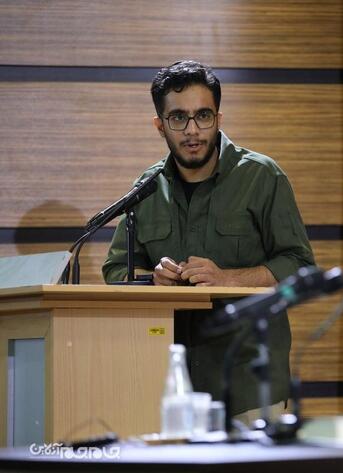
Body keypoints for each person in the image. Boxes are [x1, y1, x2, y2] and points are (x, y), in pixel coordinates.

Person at [103, 60, 315, 422]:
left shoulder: (262, 177)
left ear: (218, 118)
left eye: (203, 116)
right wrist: (152, 280)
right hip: (169, 384)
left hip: (249, 382)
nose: (192, 130)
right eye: (178, 118)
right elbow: (115, 270)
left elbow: (300, 266)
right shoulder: (147, 189)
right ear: (160, 125)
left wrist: (228, 278)